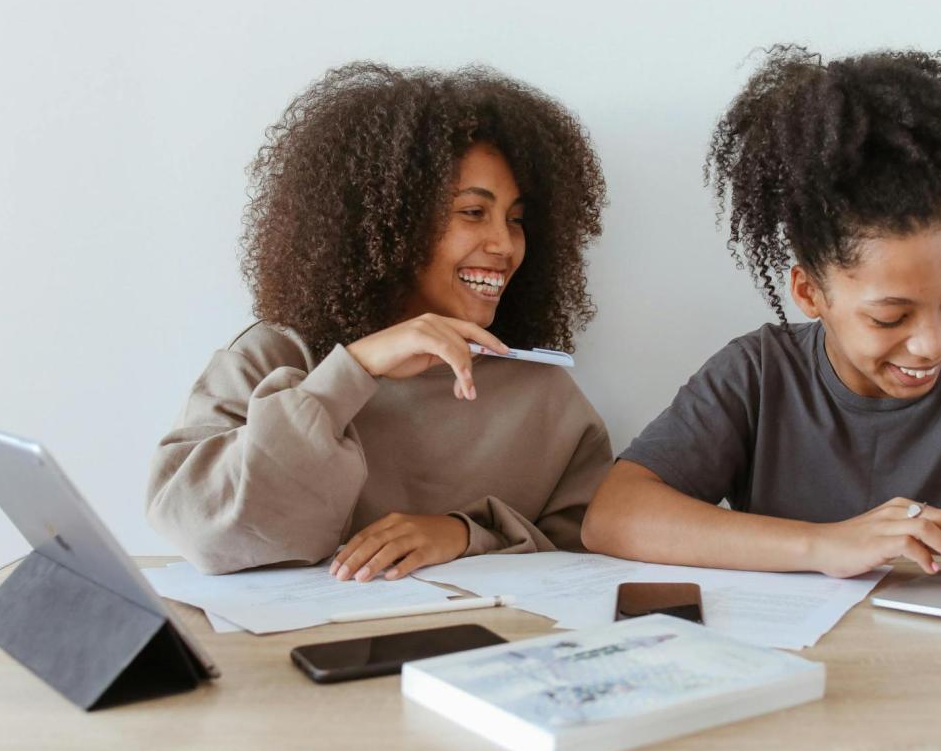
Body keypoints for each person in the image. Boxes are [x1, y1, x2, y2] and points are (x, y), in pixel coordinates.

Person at [581, 45, 941, 578]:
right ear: (810, 293)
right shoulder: (758, 376)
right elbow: (613, 515)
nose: (933, 344)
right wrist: (826, 546)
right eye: (891, 318)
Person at [148, 63, 611, 578]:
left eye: (516, 219)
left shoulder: (540, 391)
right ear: (390, 220)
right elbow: (208, 533)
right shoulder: (273, 357)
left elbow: (589, 551)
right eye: (472, 213)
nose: (503, 244)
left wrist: (463, 533)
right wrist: (354, 371)